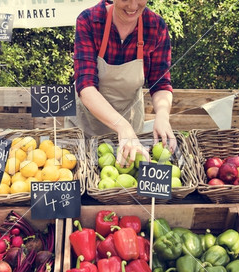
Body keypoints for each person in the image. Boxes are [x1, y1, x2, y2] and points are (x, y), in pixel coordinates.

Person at [65, 0, 177, 167]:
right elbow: (86, 85)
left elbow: (160, 83)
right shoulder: (90, 20)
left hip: (130, 128)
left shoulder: (155, 26)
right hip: (86, 126)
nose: (132, 6)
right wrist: (122, 127)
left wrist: (162, 116)